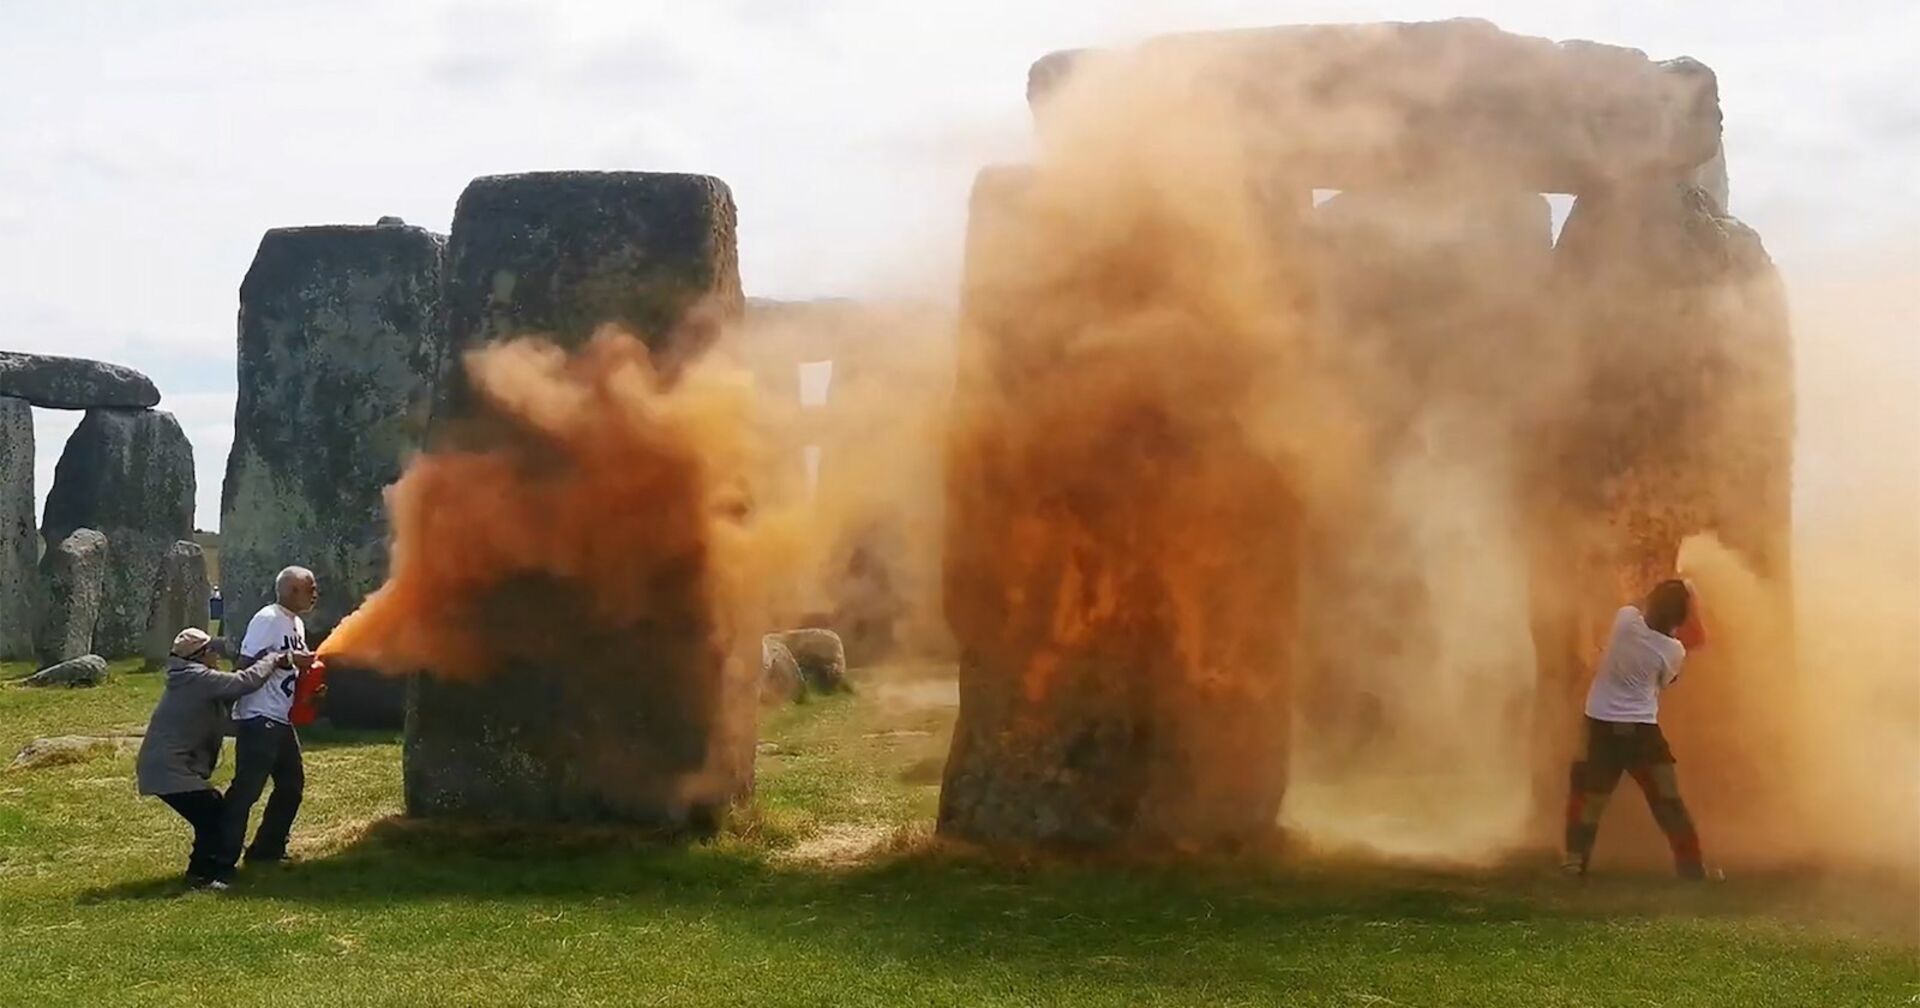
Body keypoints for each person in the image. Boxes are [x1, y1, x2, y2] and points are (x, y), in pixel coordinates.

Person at [1562, 578, 1708, 879]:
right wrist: (1688, 592)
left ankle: (1574, 863)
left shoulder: (1625, 621)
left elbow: (1639, 601)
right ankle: (1692, 869)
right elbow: (1667, 682)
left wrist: (1670, 585)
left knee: (1588, 798)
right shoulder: (1671, 651)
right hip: (1641, 733)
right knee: (1668, 802)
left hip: (1599, 726)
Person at [134, 627, 287, 888]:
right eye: (212, 650)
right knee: (213, 815)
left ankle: (201, 872)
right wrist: (273, 658)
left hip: (165, 765)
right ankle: (204, 876)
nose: (217, 655)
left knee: (210, 814)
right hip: (169, 768)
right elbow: (243, 682)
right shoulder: (196, 678)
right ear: (200, 655)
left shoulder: (191, 679)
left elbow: (223, 718)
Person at [221, 566, 319, 868]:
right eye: (310, 588)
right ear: (291, 591)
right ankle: (218, 859)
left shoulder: (296, 624)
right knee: (247, 791)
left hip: (281, 717)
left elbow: (289, 670)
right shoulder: (268, 619)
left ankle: (266, 850)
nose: (315, 594)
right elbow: (244, 665)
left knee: (291, 786)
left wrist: (310, 688)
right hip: (259, 716)